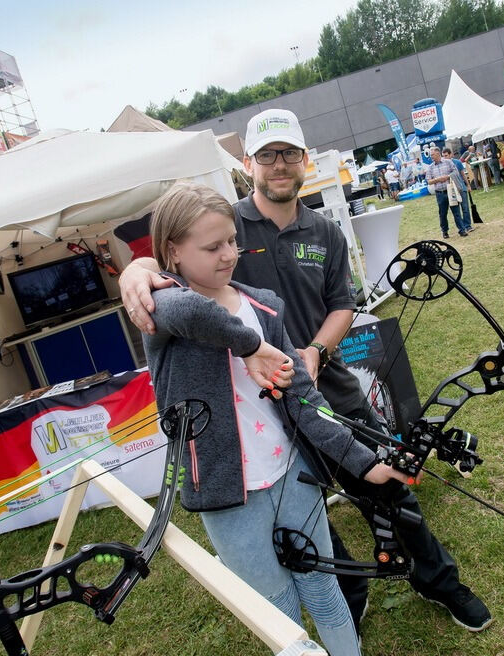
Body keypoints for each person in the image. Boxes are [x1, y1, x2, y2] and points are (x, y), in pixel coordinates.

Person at [121, 108, 494, 635]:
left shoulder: (323, 231)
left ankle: (437, 579)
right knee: (302, 504)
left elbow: (343, 303)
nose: (279, 165)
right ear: (248, 162)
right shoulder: (222, 226)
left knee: (386, 483)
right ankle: (349, 591)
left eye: (289, 154)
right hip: (259, 404)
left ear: (304, 160)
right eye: (268, 155)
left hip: (326, 385)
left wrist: (315, 351)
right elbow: (166, 273)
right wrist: (136, 271)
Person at [143, 182, 410, 656]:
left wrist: (365, 462)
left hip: (292, 474)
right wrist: (250, 346)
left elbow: (305, 399)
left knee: (323, 588)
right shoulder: (159, 308)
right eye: (211, 247)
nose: (228, 255)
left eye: (231, 241)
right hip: (227, 493)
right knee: (278, 609)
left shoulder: (263, 305)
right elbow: (190, 311)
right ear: (173, 252)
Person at [426, 146, 469, 238]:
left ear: (438, 153)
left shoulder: (448, 162)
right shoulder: (430, 167)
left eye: (432, 154)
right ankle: (445, 232)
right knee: (442, 214)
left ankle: (462, 230)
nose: (431, 157)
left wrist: (447, 177)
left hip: (450, 190)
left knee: (456, 211)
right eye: (431, 155)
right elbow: (429, 181)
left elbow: (456, 173)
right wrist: (437, 179)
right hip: (440, 193)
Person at [441, 147, 474, 231]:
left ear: (450, 154)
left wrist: (468, 185)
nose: (445, 158)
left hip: (461, 187)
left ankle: (468, 225)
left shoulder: (457, 162)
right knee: (456, 210)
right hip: (451, 189)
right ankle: (462, 227)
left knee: (465, 208)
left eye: (446, 155)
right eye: (443, 156)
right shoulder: (443, 165)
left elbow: (463, 175)